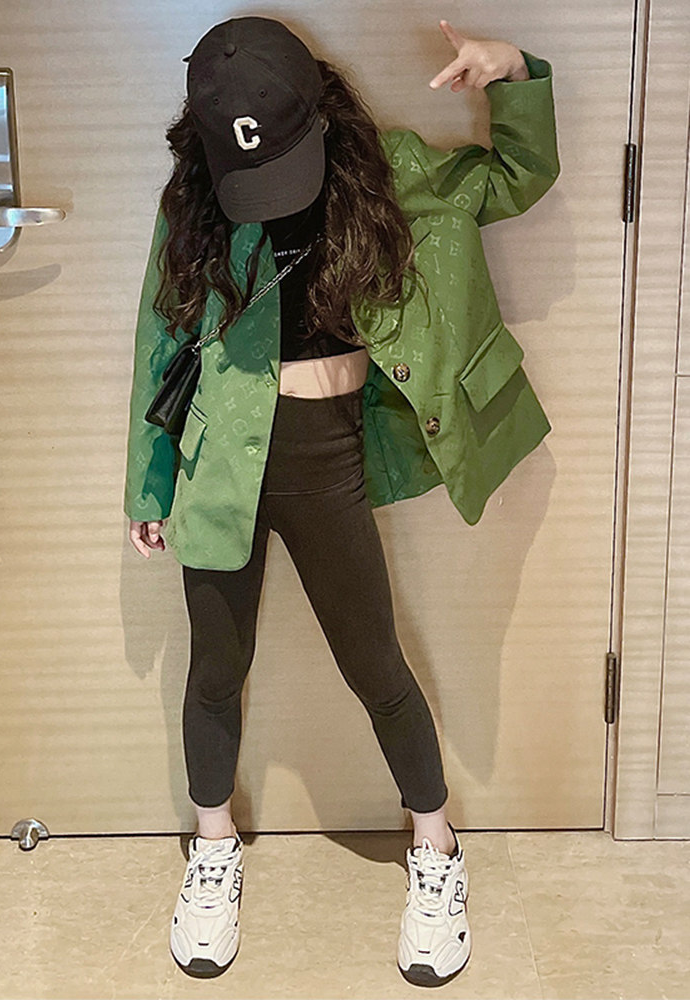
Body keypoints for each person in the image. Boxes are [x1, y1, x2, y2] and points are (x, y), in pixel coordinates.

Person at [123, 13, 559, 988]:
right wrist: (150, 484)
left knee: (376, 666)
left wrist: (514, 74)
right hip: (218, 467)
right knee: (215, 669)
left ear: (319, 114)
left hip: (329, 463)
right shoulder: (191, 202)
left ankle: (436, 848)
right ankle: (212, 847)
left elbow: (516, 178)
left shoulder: (390, 171)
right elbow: (161, 344)